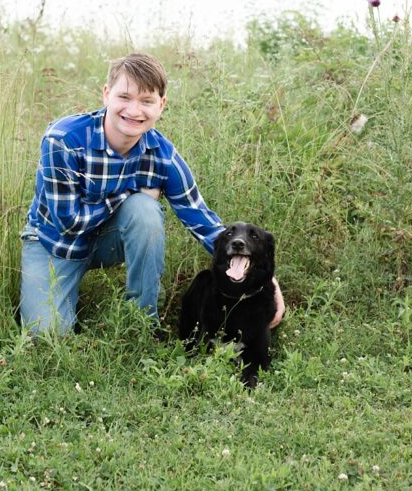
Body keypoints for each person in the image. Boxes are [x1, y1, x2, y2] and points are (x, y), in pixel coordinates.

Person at [19, 52, 284, 336]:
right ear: (106, 94)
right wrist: (128, 193)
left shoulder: (163, 155)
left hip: (107, 241)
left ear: (161, 105)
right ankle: (47, 296)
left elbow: (203, 222)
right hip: (54, 244)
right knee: (47, 336)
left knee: (145, 210)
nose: (134, 111)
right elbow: (68, 223)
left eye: (146, 101)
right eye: (124, 97)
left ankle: (141, 322)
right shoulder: (63, 140)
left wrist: (267, 281)